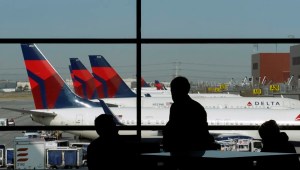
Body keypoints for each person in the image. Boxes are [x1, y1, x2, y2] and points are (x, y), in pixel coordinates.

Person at [162, 76, 216, 152]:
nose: (172, 95)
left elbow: (174, 129)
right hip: (195, 150)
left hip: (181, 149)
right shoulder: (197, 107)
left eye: (174, 91)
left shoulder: (176, 107)